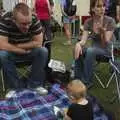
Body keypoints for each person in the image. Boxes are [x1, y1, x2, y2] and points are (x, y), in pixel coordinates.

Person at [0, 3, 48, 95]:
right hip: (12, 55)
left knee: (43, 51)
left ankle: (35, 85)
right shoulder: (5, 19)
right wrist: (20, 50)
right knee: (2, 54)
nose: (27, 26)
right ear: (14, 20)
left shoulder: (34, 18)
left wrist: (18, 46)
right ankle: (14, 88)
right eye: (23, 24)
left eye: (29, 23)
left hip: (28, 52)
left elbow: (38, 43)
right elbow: (2, 45)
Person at [74, 0, 116, 87]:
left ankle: (86, 82)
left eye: (103, 6)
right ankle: (77, 79)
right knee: (78, 48)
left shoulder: (110, 21)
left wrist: (103, 33)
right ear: (93, 8)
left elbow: (106, 43)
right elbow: (83, 40)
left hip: (107, 50)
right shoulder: (88, 22)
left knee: (90, 50)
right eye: (99, 6)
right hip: (94, 49)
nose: (102, 8)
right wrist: (78, 44)